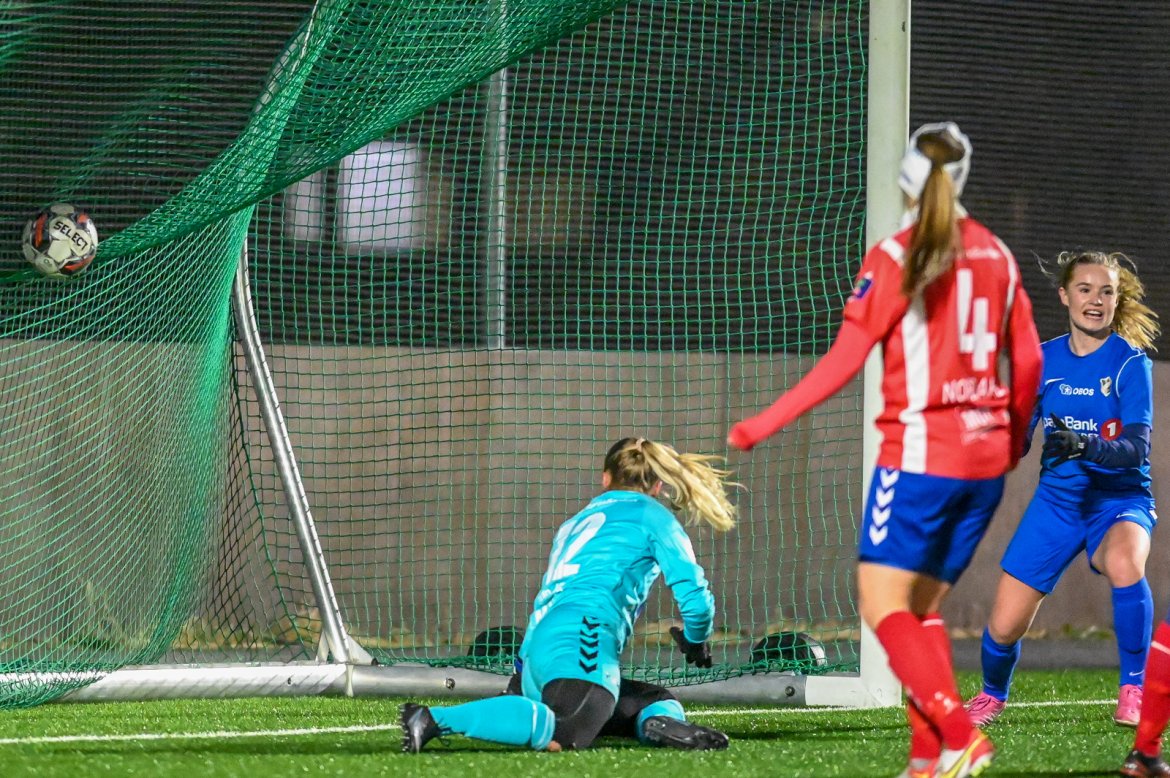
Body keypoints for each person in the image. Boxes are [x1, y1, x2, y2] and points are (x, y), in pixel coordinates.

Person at [727, 121, 1043, 778]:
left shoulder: (897, 255)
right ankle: (927, 757)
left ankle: (961, 736)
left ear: (905, 177)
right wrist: (1012, 440)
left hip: (922, 458)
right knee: (920, 609)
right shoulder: (997, 253)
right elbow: (1031, 362)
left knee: (880, 604)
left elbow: (844, 360)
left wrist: (763, 422)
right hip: (985, 463)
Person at [400, 436, 736, 753]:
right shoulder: (653, 516)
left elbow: (549, 594)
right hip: (583, 636)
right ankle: (432, 718)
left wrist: (522, 675)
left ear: (606, 478)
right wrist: (696, 638)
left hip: (540, 648)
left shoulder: (575, 523)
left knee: (654, 699)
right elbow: (695, 596)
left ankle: (658, 722)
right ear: (658, 485)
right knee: (567, 731)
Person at [955, 252, 1159, 724]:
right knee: (1003, 627)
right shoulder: (1042, 360)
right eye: (1085, 289)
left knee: (1124, 562)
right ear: (1065, 296)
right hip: (1057, 505)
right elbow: (1017, 442)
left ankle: (1134, 689)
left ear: (1116, 301)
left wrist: (1085, 445)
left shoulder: (1131, 364)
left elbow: (1135, 449)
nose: (1096, 300)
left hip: (1118, 501)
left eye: (1106, 291)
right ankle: (991, 695)